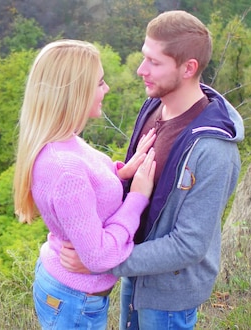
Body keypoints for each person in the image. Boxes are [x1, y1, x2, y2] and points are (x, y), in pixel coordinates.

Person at [59, 11, 245, 329]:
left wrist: (104, 262)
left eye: (154, 63)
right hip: (136, 274)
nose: (140, 70)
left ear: (189, 68)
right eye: (145, 57)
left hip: (169, 297)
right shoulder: (153, 107)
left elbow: (189, 244)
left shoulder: (214, 151)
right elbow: (137, 192)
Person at [12, 39, 157, 330]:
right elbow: (98, 256)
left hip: (68, 291)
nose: (106, 89)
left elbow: (89, 190)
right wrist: (137, 198)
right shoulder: (64, 170)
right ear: (75, 92)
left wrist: (121, 173)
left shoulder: (64, 141)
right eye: (100, 82)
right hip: (74, 301)